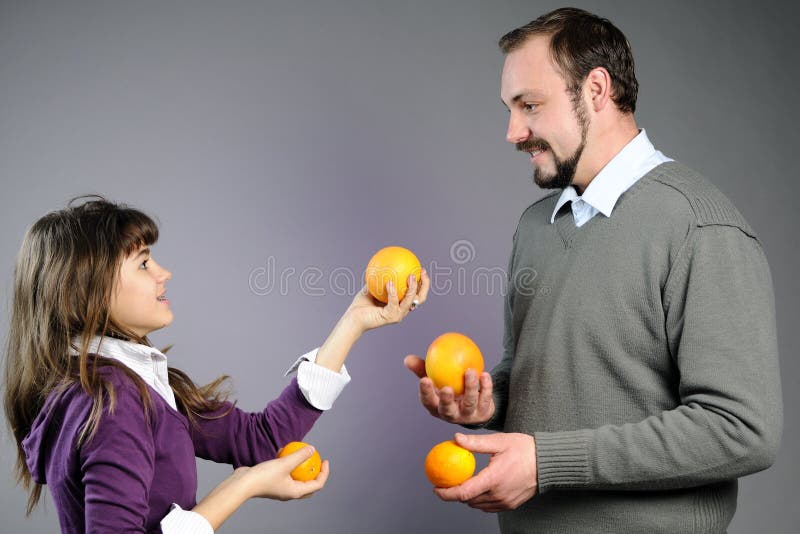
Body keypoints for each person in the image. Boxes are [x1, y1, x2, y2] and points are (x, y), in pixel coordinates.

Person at [405, 7, 782, 533]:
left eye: (530, 105)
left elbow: (741, 429)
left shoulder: (701, 228)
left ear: (597, 90)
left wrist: (547, 464)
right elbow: (537, 378)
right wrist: (485, 404)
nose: (513, 132)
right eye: (510, 108)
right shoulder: (537, 225)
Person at [4, 195, 430, 533]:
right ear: (84, 291)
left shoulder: (125, 386)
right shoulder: (113, 402)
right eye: (144, 262)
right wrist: (243, 485)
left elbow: (260, 439)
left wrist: (355, 321)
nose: (164, 272)